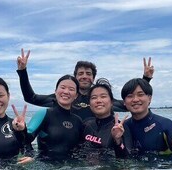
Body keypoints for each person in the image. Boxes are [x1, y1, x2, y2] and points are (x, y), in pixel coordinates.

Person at [16, 48, 154, 120]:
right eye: (80, 73)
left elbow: (131, 104)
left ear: (93, 78)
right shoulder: (64, 97)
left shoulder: (101, 99)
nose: (84, 77)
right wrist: (23, 71)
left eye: (88, 74)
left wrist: (145, 79)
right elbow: (30, 98)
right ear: (75, 76)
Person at [12, 75, 84, 160]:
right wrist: (21, 129)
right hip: (46, 167)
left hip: (72, 169)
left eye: (71, 89)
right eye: (63, 87)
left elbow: (81, 149)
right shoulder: (44, 113)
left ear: (76, 95)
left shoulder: (78, 121)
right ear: (56, 91)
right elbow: (27, 139)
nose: (66, 92)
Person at [120, 78, 172, 156]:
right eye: (130, 96)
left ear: (149, 98)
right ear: (124, 102)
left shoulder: (165, 124)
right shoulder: (122, 128)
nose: (135, 99)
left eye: (140, 94)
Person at [81, 78, 129, 157]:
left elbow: (126, 160)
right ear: (89, 103)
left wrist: (118, 141)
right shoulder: (86, 125)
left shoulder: (121, 128)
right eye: (94, 97)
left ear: (111, 102)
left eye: (103, 96)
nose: (98, 100)